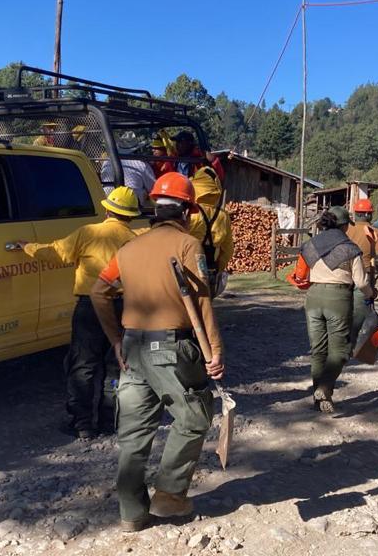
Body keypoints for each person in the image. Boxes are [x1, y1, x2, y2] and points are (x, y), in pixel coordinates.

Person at [90, 173, 224, 532]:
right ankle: (169, 495)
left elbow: (98, 292)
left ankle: (132, 513)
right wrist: (214, 351)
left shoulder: (128, 249)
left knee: (133, 434)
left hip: (133, 347)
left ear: (155, 208)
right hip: (171, 347)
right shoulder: (188, 245)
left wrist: (116, 340)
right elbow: (203, 301)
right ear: (188, 211)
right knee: (194, 415)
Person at [22, 187, 141, 439]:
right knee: (116, 365)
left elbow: (55, 253)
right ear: (130, 215)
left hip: (91, 307)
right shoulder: (135, 240)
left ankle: (82, 423)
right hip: (124, 307)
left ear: (107, 209)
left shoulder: (89, 233)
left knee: (83, 363)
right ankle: (110, 421)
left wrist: (27, 246)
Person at [288, 206, 375, 412]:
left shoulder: (310, 245)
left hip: (313, 297)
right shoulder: (350, 248)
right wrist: (371, 294)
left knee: (318, 350)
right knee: (341, 350)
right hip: (338, 298)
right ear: (344, 225)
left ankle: (320, 397)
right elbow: (361, 282)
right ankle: (325, 387)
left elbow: (301, 274)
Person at [345, 198, 378, 346]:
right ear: (369, 215)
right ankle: (360, 341)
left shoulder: (346, 230)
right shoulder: (374, 232)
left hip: (344, 274)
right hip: (365, 275)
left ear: (355, 214)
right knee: (364, 308)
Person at [187, 167, 233, 295]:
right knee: (206, 306)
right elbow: (228, 249)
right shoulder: (223, 216)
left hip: (189, 267)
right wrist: (219, 267)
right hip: (211, 269)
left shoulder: (191, 213)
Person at [161, 130, 226, 182]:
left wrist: (214, 161)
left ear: (189, 144)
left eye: (180, 142)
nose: (177, 145)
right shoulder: (174, 158)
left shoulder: (200, 158)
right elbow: (165, 173)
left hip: (195, 192)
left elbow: (219, 177)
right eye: (177, 142)